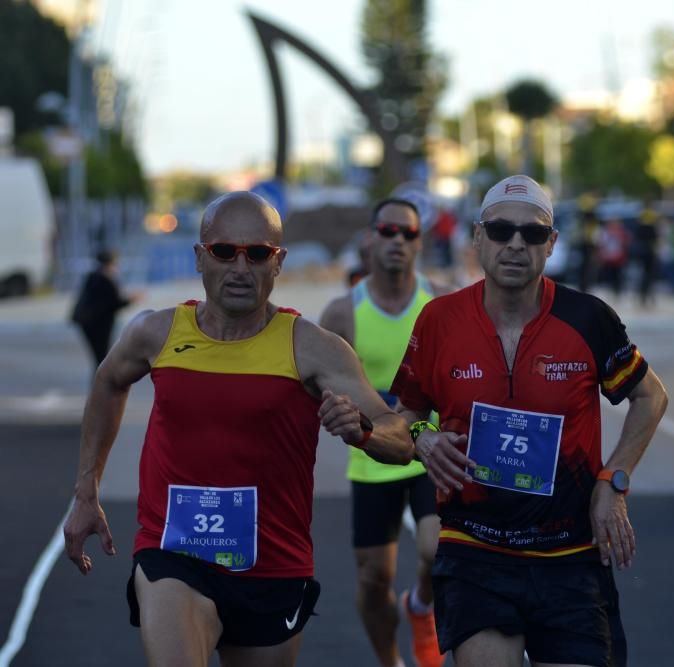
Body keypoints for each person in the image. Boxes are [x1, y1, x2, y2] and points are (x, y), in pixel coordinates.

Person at [62, 192, 414, 667]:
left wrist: (364, 430)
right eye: (225, 252)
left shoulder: (311, 347)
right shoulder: (157, 333)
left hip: (272, 566)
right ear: (201, 257)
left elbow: (400, 435)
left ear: (279, 262)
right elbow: (107, 382)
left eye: (258, 254)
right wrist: (87, 490)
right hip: (174, 552)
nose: (240, 267)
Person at [390, 175, 668, 667]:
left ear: (552, 243)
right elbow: (407, 412)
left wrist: (613, 480)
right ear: (478, 238)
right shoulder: (439, 321)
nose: (516, 244)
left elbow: (650, 397)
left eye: (533, 234)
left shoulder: (588, 319)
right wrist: (422, 438)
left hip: (569, 553)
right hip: (475, 549)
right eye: (500, 231)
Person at [319, 198, 450, 667]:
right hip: (371, 457)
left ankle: (421, 605)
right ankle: (390, 660)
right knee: (374, 579)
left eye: (408, 234)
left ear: (420, 243)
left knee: (438, 553)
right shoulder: (341, 314)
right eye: (388, 231)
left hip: (428, 452)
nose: (398, 241)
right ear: (369, 239)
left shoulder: (438, 301)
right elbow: (313, 382)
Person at [71, 250, 140, 372]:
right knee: (102, 359)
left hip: (88, 322)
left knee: (100, 358)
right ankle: (100, 387)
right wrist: (132, 299)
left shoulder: (93, 276)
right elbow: (114, 303)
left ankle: (99, 385)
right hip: (97, 324)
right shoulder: (105, 279)